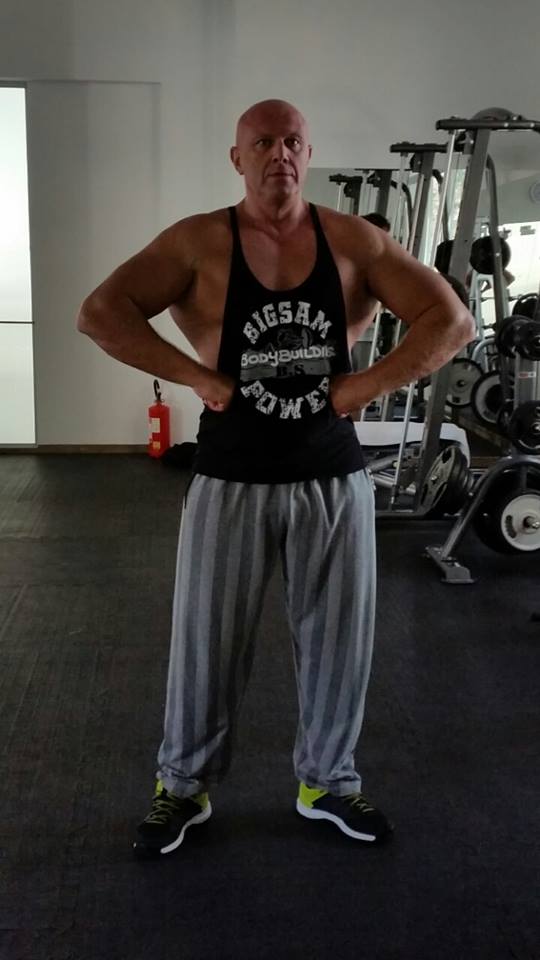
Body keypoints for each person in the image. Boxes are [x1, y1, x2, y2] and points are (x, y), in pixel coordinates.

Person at [77, 99, 474, 858]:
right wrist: (196, 375)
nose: (279, 155)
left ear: (308, 153)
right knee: (207, 643)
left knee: (339, 643)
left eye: (292, 141)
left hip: (332, 477)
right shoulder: (199, 241)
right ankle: (182, 787)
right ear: (238, 158)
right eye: (262, 143)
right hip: (230, 476)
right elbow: (101, 312)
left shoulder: (353, 241)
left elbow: (451, 320)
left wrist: (363, 388)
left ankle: (328, 783)